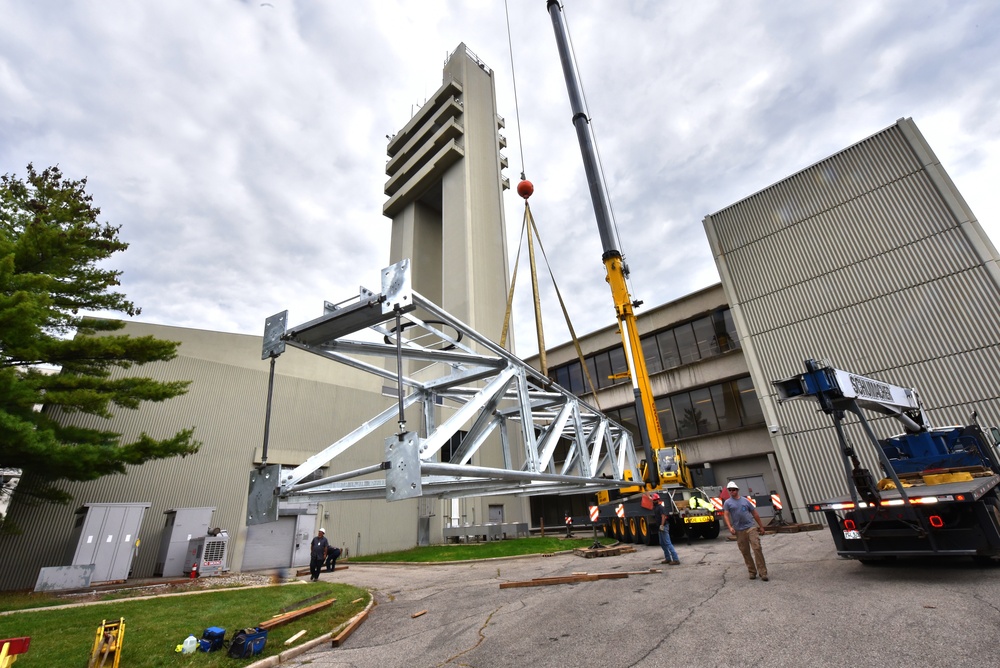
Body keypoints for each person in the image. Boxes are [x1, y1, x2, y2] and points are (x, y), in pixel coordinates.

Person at [722, 481, 769, 581]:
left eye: (733, 490)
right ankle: (752, 571)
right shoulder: (727, 503)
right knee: (745, 551)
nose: (732, 492)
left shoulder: (745, 501)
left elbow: (754, 513)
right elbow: (726, 515)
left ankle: (763, 572)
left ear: (737, 490)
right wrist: (730, 527)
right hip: (739, 530)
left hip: (750, 527)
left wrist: (761, 526)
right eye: (730, 490)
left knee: (757, 548)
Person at [653, 494, 680, 565]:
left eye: (655, 500)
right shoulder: (656, 507)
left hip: (663, 526)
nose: (654, 501)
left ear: (658, 500)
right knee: (662, 543)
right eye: (653, 500)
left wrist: (662, 525)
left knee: (667, 543)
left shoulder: (660, 507)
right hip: (660, 527)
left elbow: (663, 516)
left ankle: (676, 559)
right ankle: (668, 558)